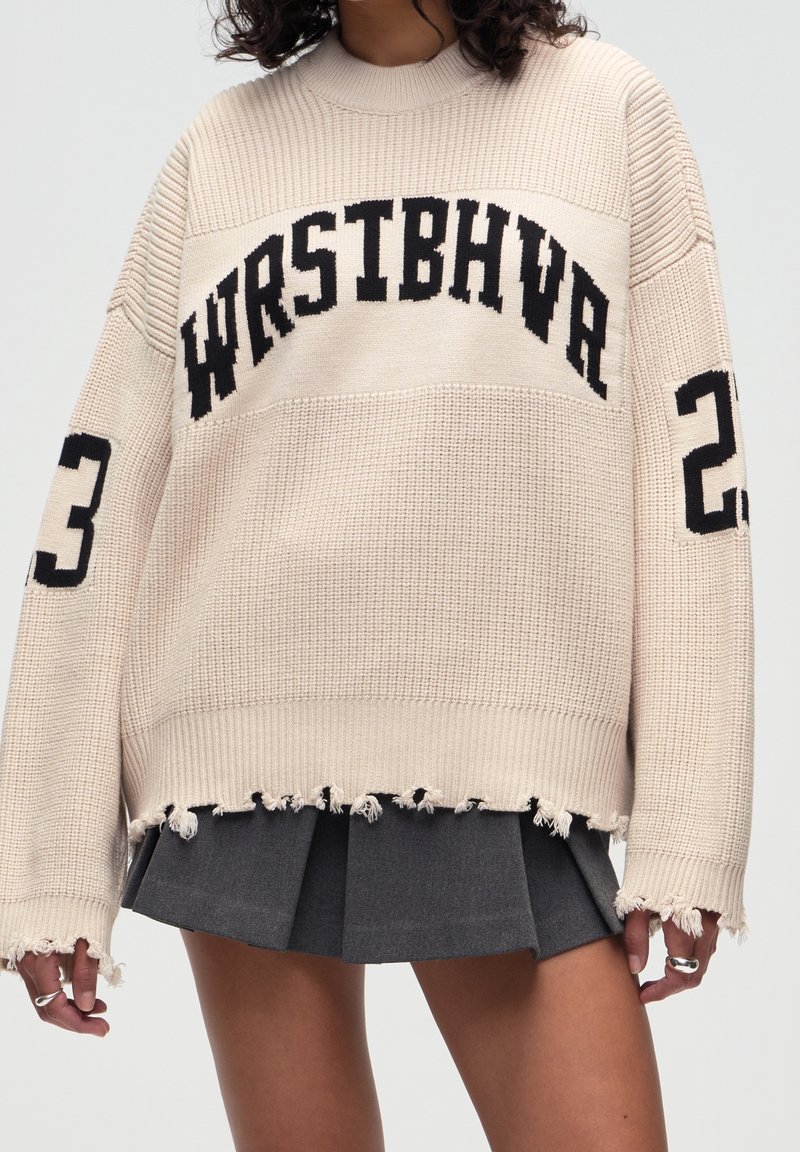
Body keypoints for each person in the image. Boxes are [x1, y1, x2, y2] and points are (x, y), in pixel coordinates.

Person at [0, 1, 753, 1149]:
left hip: (506, 760)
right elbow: (95, 515)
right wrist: (49, 866)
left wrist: (691, 832)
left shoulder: (608, 114)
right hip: (242, 764)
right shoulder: (219, 150)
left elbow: (694, 484)